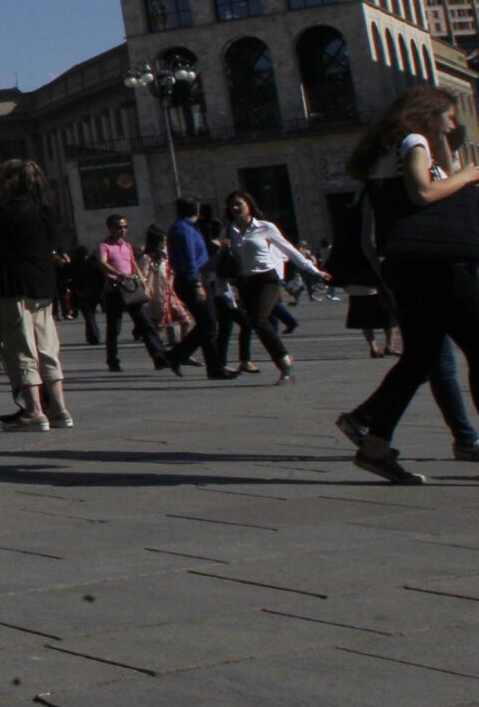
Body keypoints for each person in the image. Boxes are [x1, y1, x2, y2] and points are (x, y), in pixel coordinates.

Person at [336, 89, 479, 485]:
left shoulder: (387, 149)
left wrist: (447, 156)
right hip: (434, 265)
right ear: (429, 114)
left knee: (420, 358)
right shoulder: (414, 142)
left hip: (406, 267)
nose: (453, 124)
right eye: (449, 116)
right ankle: (378, 440)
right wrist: (468, 175)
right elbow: (423, 193)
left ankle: (375, 446)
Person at [0, 159, 69, 430]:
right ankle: (60, 410)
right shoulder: (44, 206)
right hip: (43, 284)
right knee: (47, 347)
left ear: (10, 181)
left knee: (21, 347)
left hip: (14, 284)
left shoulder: (6, 209)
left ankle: (34, 411)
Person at [218, 190, 320, 384]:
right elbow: (224, 260)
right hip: (244, 282)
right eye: (232, 205)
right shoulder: (228, 231)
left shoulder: (265, 227)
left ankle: (285, 362)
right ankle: (283, 364)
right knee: (257, 324)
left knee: (259, 320)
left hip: (267, 279)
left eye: (239, 204)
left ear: (249, 205)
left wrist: (312, 270)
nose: (235, 208)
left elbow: (289, 249)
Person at [161, 198, 232, 379]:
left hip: (196, 279)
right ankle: (174, 356)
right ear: (197, 210)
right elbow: (189, 259)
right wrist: (196, 284)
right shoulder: (185, 230)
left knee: (206, 324)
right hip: (193, 280)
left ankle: (214, 369)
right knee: (208, 324)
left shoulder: (184, 227)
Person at [91, 214, 169, 372]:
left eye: (125, 227)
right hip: (114, 291)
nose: (122, 230)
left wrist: (142, 281)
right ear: (110, 228)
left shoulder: (127, 246)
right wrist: (118, 274)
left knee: (145, 323)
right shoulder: (104, 245)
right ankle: (113, 360)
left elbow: (133, 263)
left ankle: (158, 356)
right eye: (118, 227)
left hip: (131, 289)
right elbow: (102, 262)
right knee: (114, 328)